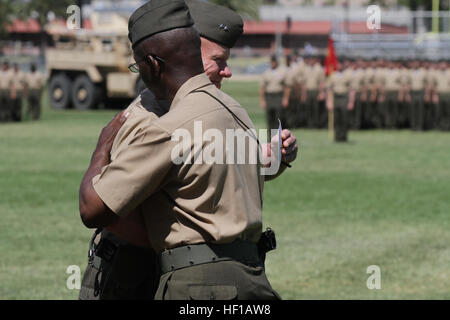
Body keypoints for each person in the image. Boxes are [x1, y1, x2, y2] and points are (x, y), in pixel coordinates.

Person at [79, 0, 298, 300]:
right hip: (132, 272)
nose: (227, 71)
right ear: (191, 49)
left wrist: (274, 160)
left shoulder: (214, 111)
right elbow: (113, 213)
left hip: (183, 274)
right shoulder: (147, 117)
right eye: (219, 60)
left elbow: (214, 174)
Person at [260, 55, 287, 130]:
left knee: (278, 116)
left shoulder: (282, 72)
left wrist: (285, 98)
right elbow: (262, 88)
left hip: (278, 96)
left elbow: (286, 87)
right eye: (271, 62)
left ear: (277, 62)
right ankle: (270, 135)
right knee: (269, 116)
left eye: (274, 62)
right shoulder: (266, 73)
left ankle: (278, 134)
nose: (273, 63)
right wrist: (263, 100)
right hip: (269, 96)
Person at [327, 62, 352, 142]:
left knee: (344, 118)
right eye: (338, 64)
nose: (340, 66)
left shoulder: (347, 75)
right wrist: (329, 102)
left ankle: (344, 137)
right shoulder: (333, 75)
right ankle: (337, 137)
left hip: (344, 97)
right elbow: (329, 89)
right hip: (336, 98)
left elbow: (351, 89)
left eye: (341, 64)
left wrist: (351, 101)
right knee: (337, 118)